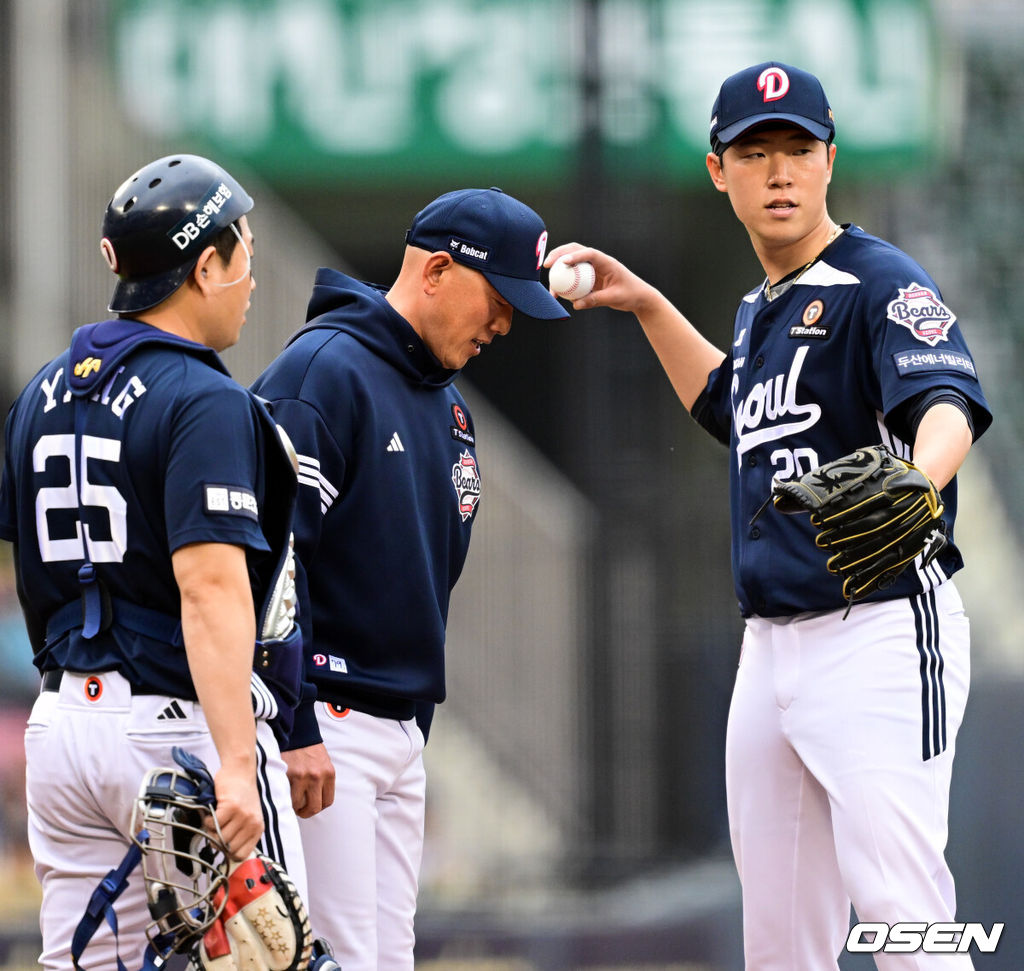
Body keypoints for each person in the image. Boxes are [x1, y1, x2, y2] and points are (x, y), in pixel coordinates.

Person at [546, 62, 991, 970]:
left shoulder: (877, 280)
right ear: (721, 171)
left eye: (798, 148)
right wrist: (641, 301)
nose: (780, 171)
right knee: (781, 939)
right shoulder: (761, 309)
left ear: (830, 160)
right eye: (756, 151)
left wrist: (919, 481)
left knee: (903, 909)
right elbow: (728, 403)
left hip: (876, 633)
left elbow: (945, 400)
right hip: (771, 650)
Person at [0, 154, 310, 969]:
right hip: (173, 729)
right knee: (272, 956)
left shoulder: (40, 392)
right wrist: (238, 763)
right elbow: (210, 589)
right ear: (204, 264)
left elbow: (35, 570)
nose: (251, 274)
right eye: (242, 250)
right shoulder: (203, 397)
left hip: (64, 725)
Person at [250, 187, 568, 970]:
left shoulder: (448, 407)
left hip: (396, 727)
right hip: (323, 723)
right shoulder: (323, 370)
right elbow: (267, 560)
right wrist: (294, 725)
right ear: (435, 270)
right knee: (339, 959)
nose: (504, 322)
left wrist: (410, 723)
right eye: (497, 297)